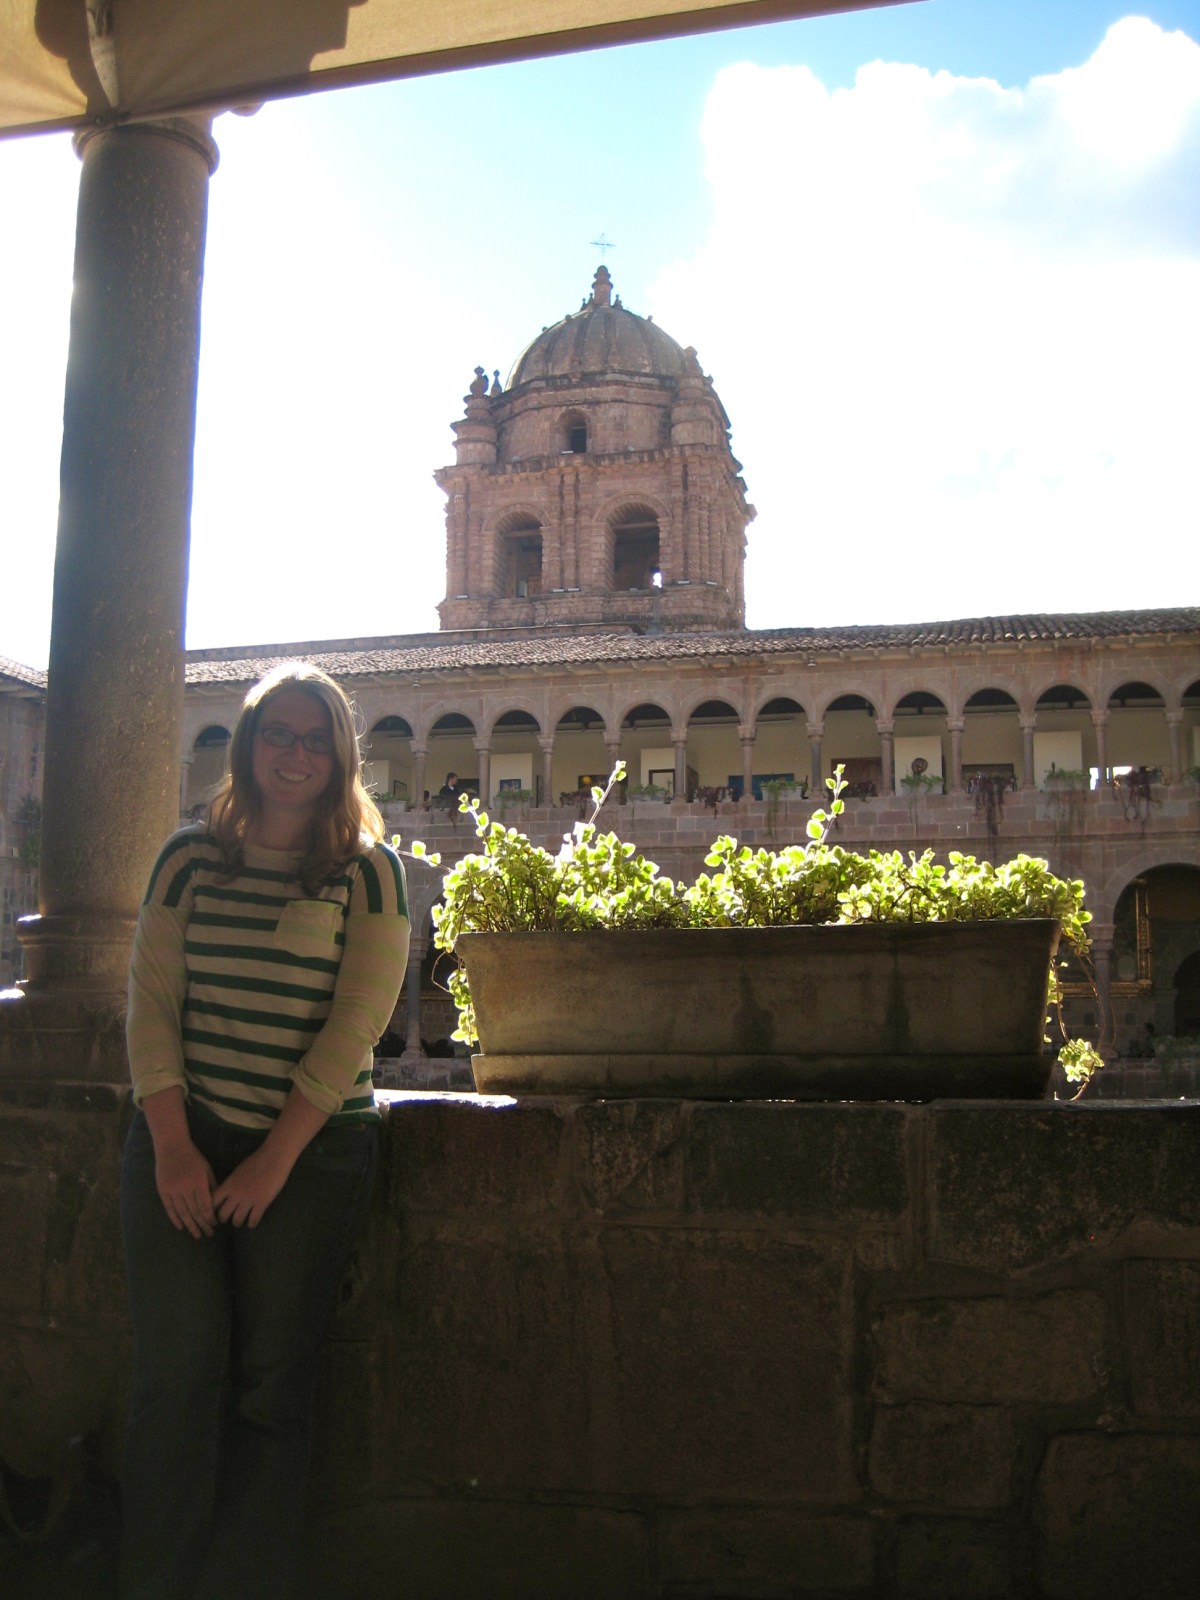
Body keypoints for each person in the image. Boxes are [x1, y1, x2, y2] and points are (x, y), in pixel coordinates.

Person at [119, 662, 410, 1600]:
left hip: (312, 1153)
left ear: (340, 755)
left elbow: (357, 1022)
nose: (295, 754)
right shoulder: (188, 856)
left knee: (271, 1388)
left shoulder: (369, 872)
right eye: (277, 734)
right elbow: (152, 1002)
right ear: (245, 747)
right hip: (183, 1133)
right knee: (175, 1378)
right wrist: (172, 1145)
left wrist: (276, 1160)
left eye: (314, 738)